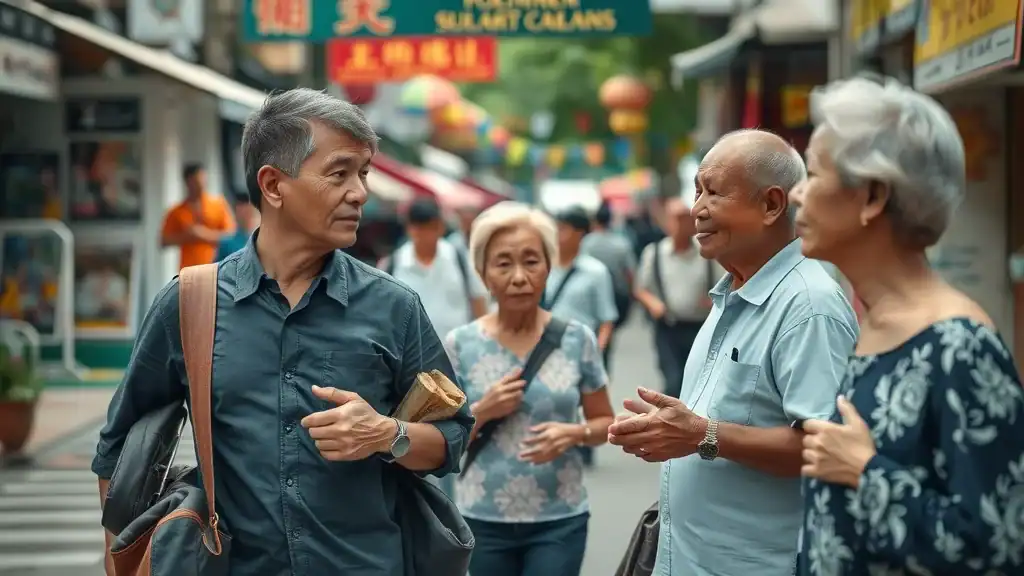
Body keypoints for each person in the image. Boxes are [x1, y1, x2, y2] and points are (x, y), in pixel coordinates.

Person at [92, 88, 474, 576]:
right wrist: (117, 559)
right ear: (273, 186)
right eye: (339, 173)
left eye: (364, 173)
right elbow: (119, 443)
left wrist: (387, 434)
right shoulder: (191, 303)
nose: (360, 192)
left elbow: (455, 435)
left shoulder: (393, 306)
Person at [792, 77, 1024, 575]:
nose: (796, 194)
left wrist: (867, 473)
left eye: (812, 174)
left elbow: (999, 547)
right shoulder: (871, 323)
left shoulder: (960, 345)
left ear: (873, 196)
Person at [607, 129, 859, 576]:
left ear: (771, 205)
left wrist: (702, 434)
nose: (697, 209)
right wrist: (672, 431)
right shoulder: (732, 294)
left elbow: (825, 447)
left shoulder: (809, 305)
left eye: (714, 192)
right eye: (696, 191)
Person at [445, 201, 614, 576]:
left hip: (560, 517)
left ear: (548, 267)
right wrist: (483, 409)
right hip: (481, 516)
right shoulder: (459, 344)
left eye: (531, 261)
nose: (519, 276)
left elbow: (605, 422)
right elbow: (441, 439)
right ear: (483, 273)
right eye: (503, 264)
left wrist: (575, 432)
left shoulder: (577, 339)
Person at [634, 195, 723, 399]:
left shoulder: (706, 251)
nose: (681, 224)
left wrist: (713, 300)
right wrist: (653, 303)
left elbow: (726, 283)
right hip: (669, 328)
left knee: (699, 380)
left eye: (685, 217)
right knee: (673, 381)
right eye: (676, 218)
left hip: (700, 327)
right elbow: (641, 288)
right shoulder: (655, 252)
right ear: (666, 221)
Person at [381, 197, 488, 342]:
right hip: (411, 357)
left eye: (432, 228)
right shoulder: (393, 265)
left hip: (457, 354)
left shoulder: (460, 259)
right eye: (420, 229)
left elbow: (479, 303)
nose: (427, 235)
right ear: (409, 229)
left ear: (441, 227)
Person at [581, 200, 636, 370]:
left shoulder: (585, 244)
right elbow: (630, 274)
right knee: (607, 334)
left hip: (587, 297)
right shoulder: (621, 244)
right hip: (615, 297)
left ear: (594, 221)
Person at [160, 163, 237, 270]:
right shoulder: (177, 211)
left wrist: (203, 234)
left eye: (203, 180)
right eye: (196, 181)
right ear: (187, 182)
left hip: (216, 267)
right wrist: (187, 236)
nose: (201, 185)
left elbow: (231, 235)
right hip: (188, 269)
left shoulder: (218, 205)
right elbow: (164, 240)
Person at [215, 193, 261, 261]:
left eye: (248, 209)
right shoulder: (227, 243)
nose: (245, 213)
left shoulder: (263, 240)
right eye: (242, 209)